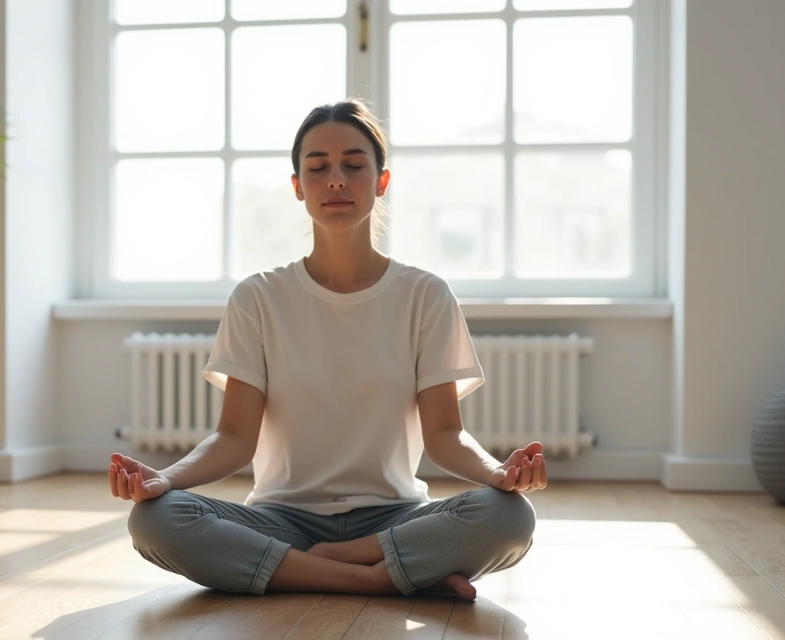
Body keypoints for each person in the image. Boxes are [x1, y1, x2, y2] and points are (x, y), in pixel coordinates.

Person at [108, 99, 545, 600]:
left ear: (381, 180)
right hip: (281, 519)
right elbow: (233, 438)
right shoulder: (259, 297)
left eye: (354, 165)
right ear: (298, 186)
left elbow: (446, 434)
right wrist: (164, 478)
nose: (336, 179)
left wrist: (499, 474)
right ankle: (383, 577)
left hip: (394, 517)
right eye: (318, 168)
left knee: (508, 516)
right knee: (156, 520)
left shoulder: (425, 295)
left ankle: (336, 563)